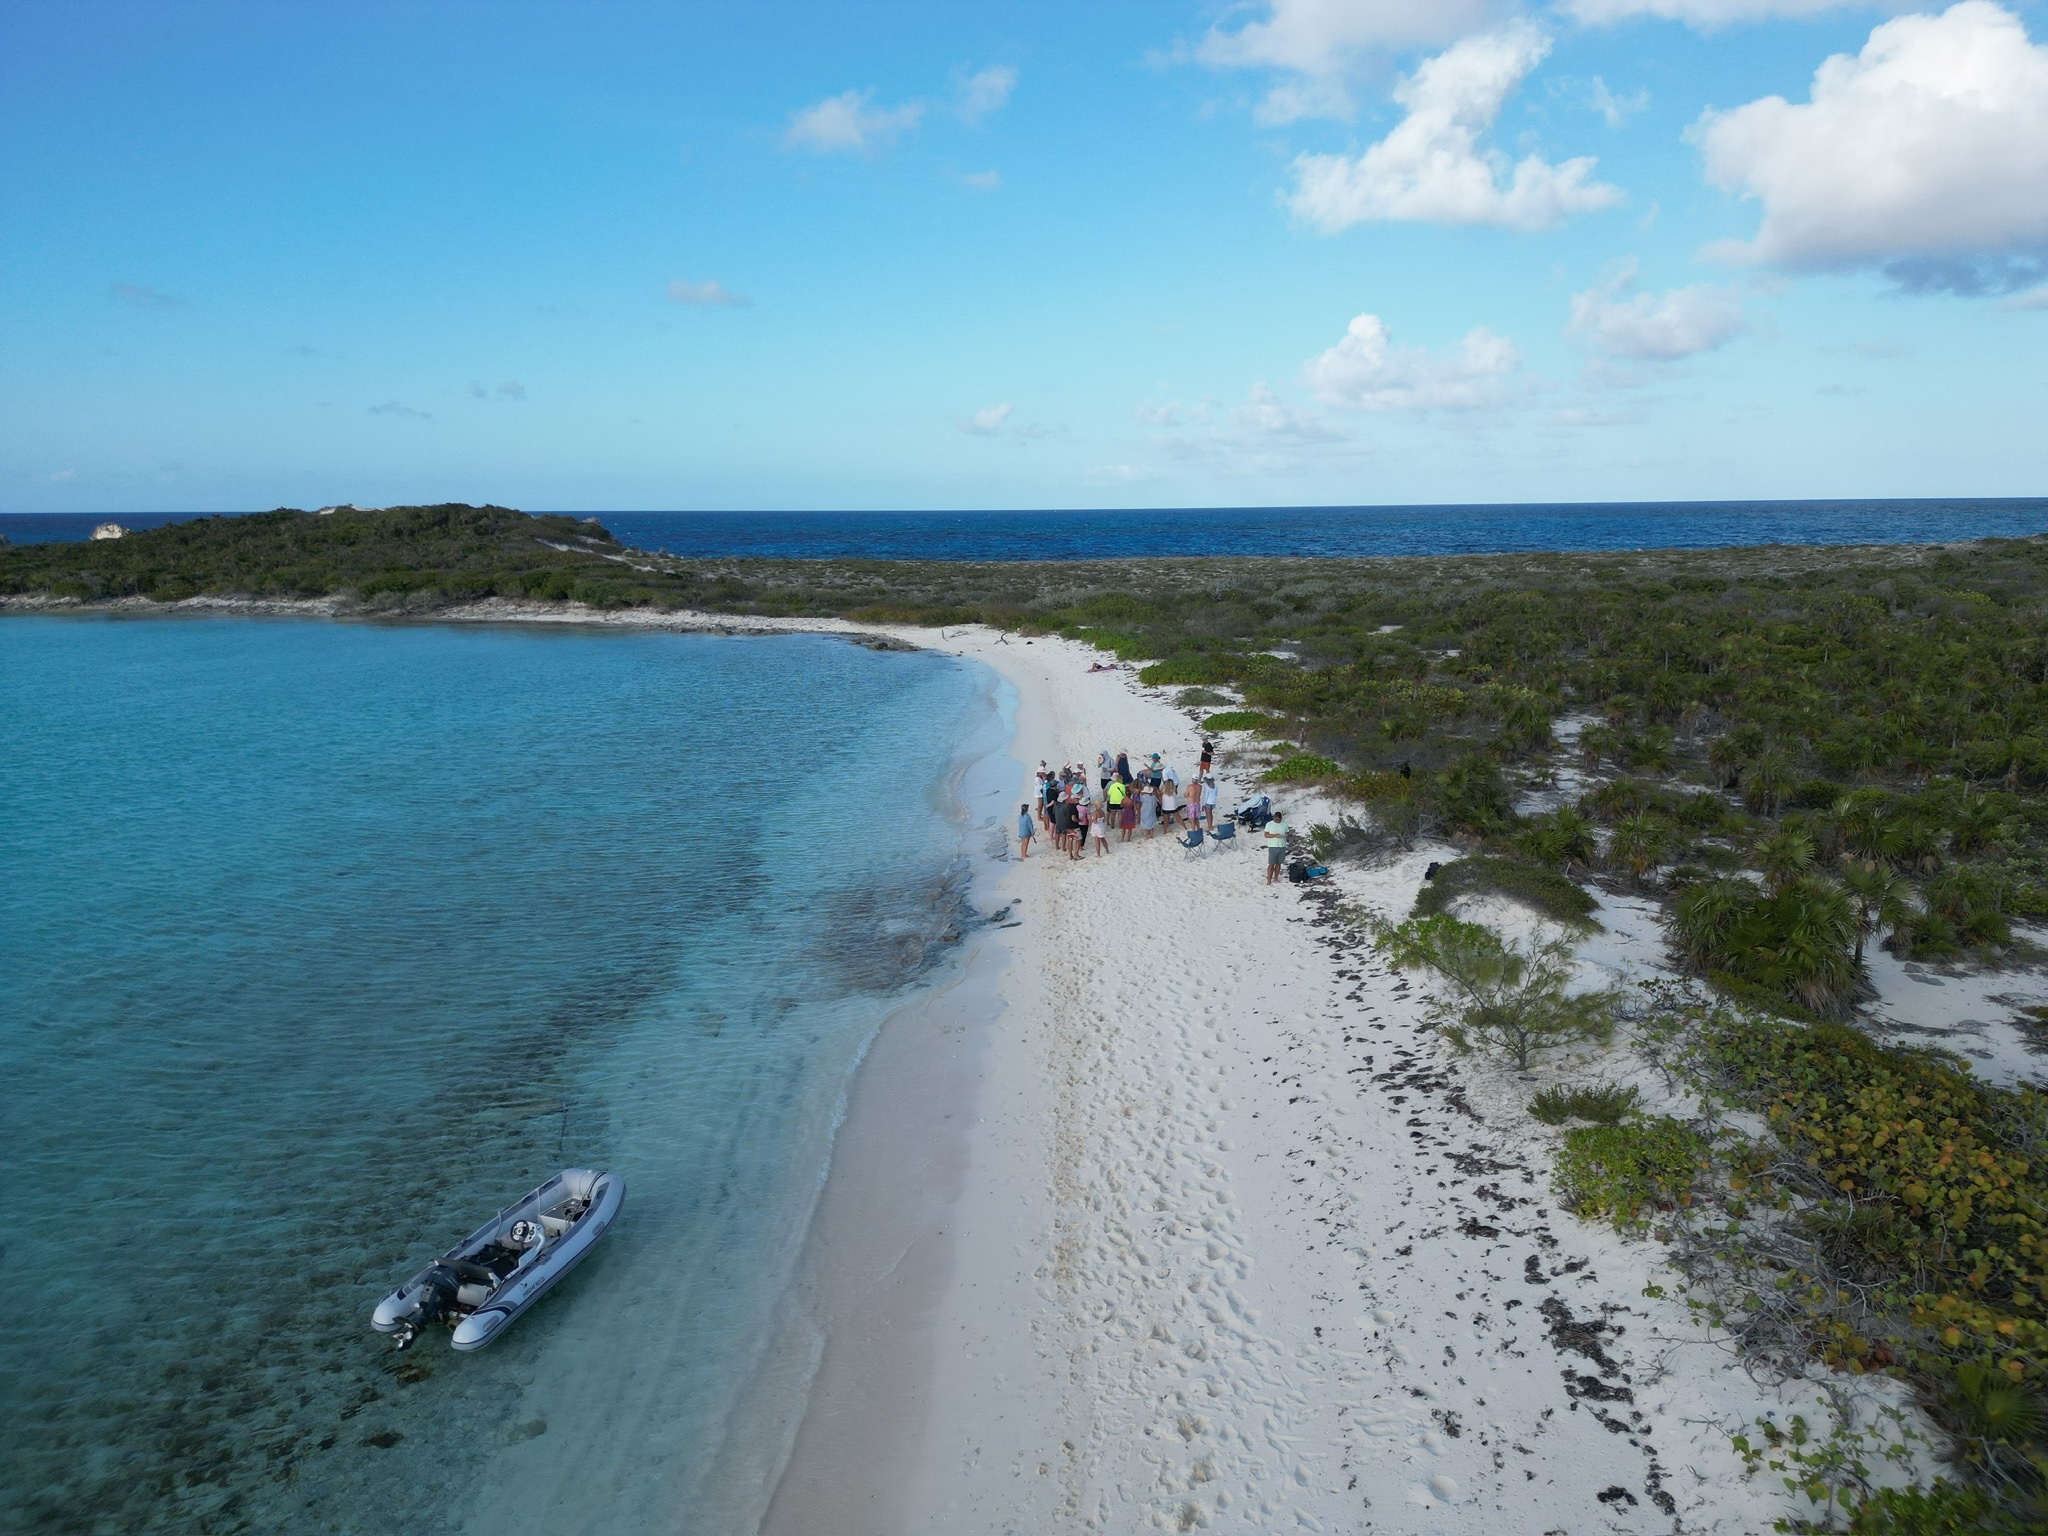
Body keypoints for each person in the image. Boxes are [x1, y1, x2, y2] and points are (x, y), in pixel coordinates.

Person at [1264, 810, 1289, 884]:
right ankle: (1269, 879)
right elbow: (1266, 835)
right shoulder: (1269, 824)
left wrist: (1286, 835)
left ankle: (1276, 878)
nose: (1278, 821)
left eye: (1279, 819)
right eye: (1277, 819)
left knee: (1279, 863)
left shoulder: (1284, 824)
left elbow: (1287, 832)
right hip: (1273, 846)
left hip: (1282, 846)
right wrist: (1274, 835)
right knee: (1271, 864)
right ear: (1274, 818)